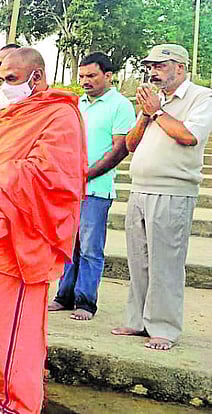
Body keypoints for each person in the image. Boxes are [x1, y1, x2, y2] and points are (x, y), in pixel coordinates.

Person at [0, 48, 87, 414]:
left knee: (12, 322)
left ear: (37, 77)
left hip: (22, 235)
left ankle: (11, 397)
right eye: (2, 78)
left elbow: (51, 173)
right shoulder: (5, 114)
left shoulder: (60, 116)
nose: (5, 87)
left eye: (12, 79)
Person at [113, 44, 212, 351]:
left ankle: (164, 328)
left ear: (180, 67)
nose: (153, 72)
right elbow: (130, 145)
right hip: (141, 189)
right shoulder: (153, 103)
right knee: (139, 261)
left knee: (165, 263)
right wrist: (145, 115)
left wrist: (157, 110)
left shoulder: (201, 97)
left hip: (173, 191)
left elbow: (189, 137)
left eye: (160, 66)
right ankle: (138, 320)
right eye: (151, 66)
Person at [49, 52, 135, 321]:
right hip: (69, 188)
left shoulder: (120, 106)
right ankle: (64, 296)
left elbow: (120, 149)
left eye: (91, 76)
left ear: (108, 76)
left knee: (89, 248)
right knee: (67, 244)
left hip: (96, 189)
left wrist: (86, 175)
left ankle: (86, 302)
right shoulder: (78, 105)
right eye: (82, 76)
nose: (85, 81)